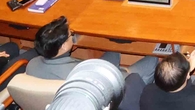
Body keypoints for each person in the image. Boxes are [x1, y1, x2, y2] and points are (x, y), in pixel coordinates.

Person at [27, 17, 158, 109]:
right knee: (153, 59)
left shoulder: (31, 65)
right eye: (70, 35)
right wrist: (125, 72)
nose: (72, 36)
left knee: (113, 51)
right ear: (62, 47)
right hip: (104, 92)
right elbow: (114, 83)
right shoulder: (80, 74)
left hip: (70, 93)